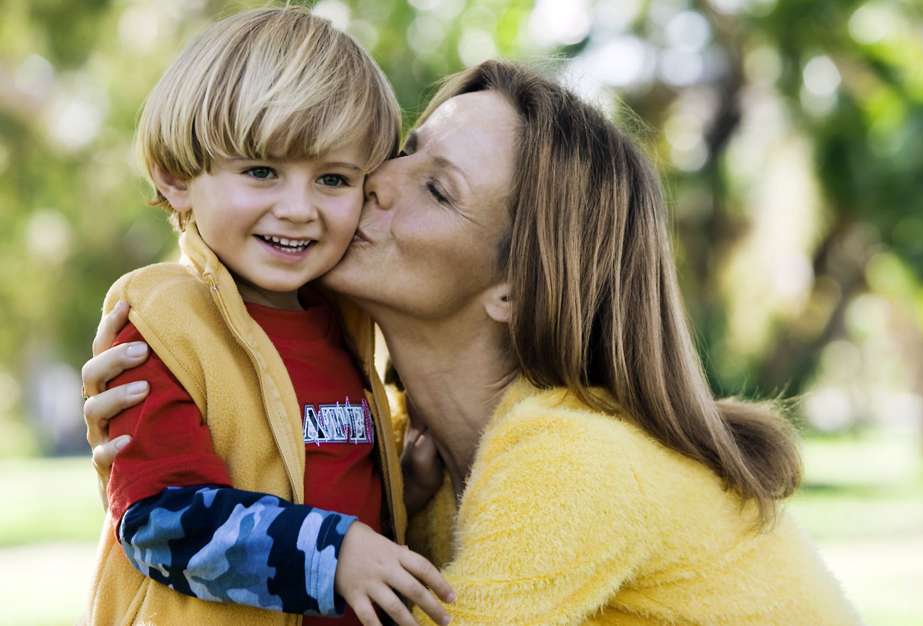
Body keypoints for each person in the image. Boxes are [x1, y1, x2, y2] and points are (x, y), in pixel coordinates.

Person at [83, 60, 862, 625]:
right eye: (410, 146)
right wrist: (172, 416)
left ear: (516, 289)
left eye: (437, 188)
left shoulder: (569, 459)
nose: (377, 178)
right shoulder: (429, 462)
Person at [82, 8, 453, 626]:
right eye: (261, 172)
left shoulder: (347, 323)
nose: (299, 208)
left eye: (333, 178)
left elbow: (319, 482)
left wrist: (401, 494)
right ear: (177, 178)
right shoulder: (159, 323)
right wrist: (330, 553)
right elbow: (160, 521)